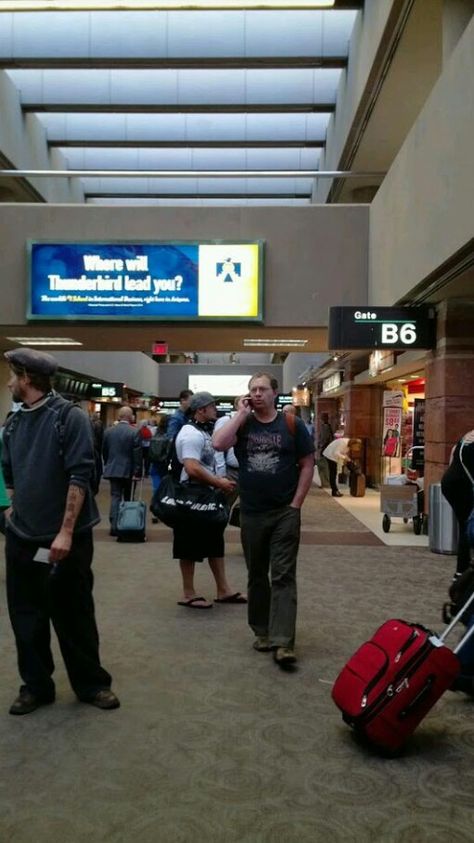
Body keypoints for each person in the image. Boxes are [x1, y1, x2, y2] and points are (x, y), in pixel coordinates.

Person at [1, 347, 119, 715]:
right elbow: (8, 472)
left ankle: (91, 684)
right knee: (26, 617)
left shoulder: (69, 418)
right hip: (22, 537)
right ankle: (36, 686)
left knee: (74, 614)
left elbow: (80, 475)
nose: (8, 382)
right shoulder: (14, 422)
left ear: (26, 379)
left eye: (11, 376)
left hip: (67, 538)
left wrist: (65, 532)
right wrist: (9, 511)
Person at [212, 372, 315, 667]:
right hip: (252, 512)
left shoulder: (292, 425)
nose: (257, 394)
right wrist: (240, 414)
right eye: (252, 390)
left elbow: (307, 464)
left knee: (282, 575)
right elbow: (218, 444)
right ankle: (263, 631)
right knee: (257, 574)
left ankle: (284, 642)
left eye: (262, 389)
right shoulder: (242, 424)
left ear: (274, 393)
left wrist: (296, 504)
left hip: (284, 511)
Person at [174, 391, 246, 610]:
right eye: (212, 406)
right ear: (200, 410)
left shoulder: (201, 431)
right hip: (193, 494)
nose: (215, 409)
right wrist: (218, 482)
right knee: (188, 544)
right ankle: (188, 592)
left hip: (204, 493)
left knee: (215, 540)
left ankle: (223, 589)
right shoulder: (191, 434)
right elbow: (192, 467)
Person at [102, 406, 139, 537]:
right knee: (128, 498)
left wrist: (108, 463)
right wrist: (137, 471)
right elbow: (137, 454)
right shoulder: (134, 432)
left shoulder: (109, 431)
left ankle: (113, 525)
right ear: (130, 417)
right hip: (128, 470)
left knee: (115, 496)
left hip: (113, 469)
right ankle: (126, 524)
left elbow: (104, 451)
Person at [441, 429, 474, 577]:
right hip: (462, 485)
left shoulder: (469, 436)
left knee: (465, 526)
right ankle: (463, 573)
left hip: (450, 482)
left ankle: (461, 573)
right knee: (468, 527)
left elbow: (453, 453)